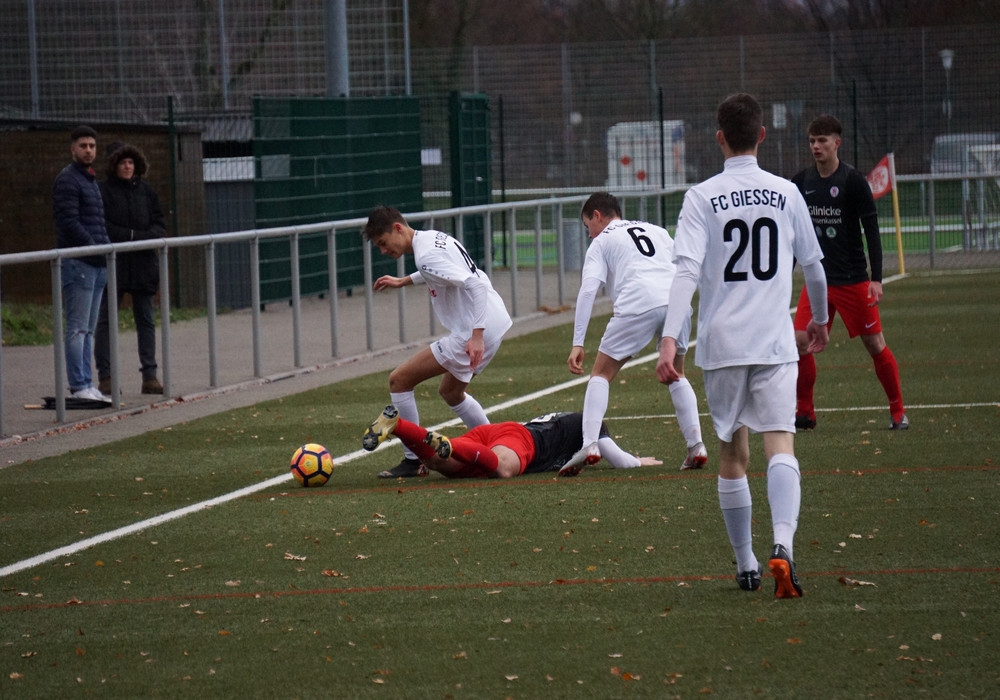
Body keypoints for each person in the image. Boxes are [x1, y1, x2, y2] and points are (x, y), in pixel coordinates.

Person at [655, 94, 830, 599]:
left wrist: (669, 338)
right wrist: (818, 320)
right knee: (781, 443)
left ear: (719, 138)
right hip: (775, 341)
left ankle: (746, 564)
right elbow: (814, 266)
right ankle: (784, 546)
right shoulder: (787, 192)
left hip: (722, 343)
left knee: (733, 454)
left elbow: (685, 270)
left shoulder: (701, 196)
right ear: (762, 135)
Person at [361, 206, 513, 478]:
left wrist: (476, 336)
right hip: (495, 319)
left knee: (399, 380)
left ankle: (412, 460)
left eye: (383, 243)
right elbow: (442, 272)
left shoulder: (426, 254)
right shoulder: (433, 237)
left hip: (475, 329)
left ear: (398, 228)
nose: (383, 251)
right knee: (451, 392)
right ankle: (496, 447)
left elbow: (473, 286)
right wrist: (403, 281)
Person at [565, 191, 705, 476]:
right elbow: (686, 267)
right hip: (675, 301)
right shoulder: (657, 230)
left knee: (601, 374)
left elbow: (588, 290)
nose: (589, 234)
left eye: (587, 226)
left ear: (597, 216)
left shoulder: (602, 241)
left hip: (638, 302)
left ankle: (590, 444)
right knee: (677, 374)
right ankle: (697, 446)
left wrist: (578, 341)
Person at [791, 115, 907, 431]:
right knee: (799, 340)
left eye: (822, 140)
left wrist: (877, 279)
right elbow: (792, 234)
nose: (816, 146)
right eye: (812, 141)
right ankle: (805, 412)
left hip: (854, 280)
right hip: (817, 280)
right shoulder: (800, 183)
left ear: (837, 143)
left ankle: (898, 410)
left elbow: (871, 230)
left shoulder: (853, 181)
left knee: (875, 343)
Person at [362, 405, 661, 478]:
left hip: (491, 437)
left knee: (443, 465)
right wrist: (636, 462)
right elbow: (615, 456)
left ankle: (398, 425)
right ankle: (449, 444)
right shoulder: (587, 422)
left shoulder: (573, 427)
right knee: (503, 469)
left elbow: (585, 455)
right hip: (521, 438)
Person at [95, 142, 166, 396]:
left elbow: (159, 224)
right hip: (114, 265)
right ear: (113, 165)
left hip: (143, 266)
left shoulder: (146, 192)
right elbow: (104, 227)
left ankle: (150, 376)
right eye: (123, 162)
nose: (127, 166)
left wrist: (142, 238)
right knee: (105, 321)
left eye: (131, 162)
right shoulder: (102, 192)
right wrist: (135, 236)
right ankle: (106, 377)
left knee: (145, 320)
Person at [53, 125, 112, 402]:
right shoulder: (68, 180)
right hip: (79, 263)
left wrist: (105, 248)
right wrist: (94, 246)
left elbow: (97, 221)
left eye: (92, 145)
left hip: (98, 263)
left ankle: (87, 383)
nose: (88, 150)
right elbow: (69, 221)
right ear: (72, 149)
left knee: (89, 328)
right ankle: (79, 384)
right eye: (83, 145)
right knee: (77, 328)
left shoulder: (89, 180)